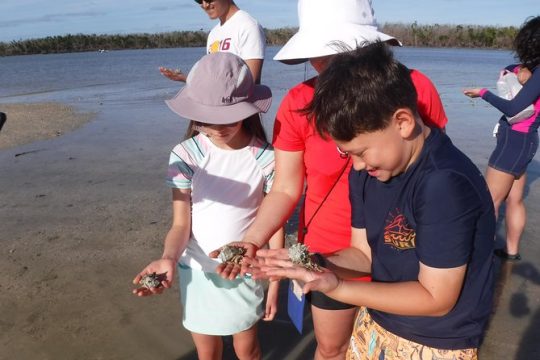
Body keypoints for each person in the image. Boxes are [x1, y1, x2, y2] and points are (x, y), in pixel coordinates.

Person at [211, 1, 448, 359]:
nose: (321, 63)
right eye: (316, 54)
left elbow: (437, 174)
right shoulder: (297, 103)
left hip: (402, 249)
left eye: (332, 53)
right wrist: (253, 240)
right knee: (332, 348)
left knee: (397, 349)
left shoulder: (415, 89)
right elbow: (287, 187)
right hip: (329, 253)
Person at [248, 42, 496, 360]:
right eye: (348, 154)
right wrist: (313, 264)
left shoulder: (444, 184)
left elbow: (437, 298)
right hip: (376, 323)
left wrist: (336, 287)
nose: (357, 166)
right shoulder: (368, 172)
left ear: (403, 122)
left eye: (361, 153)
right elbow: (363, 255)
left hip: (435, 342)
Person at [133, 52, 283, 360]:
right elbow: (180, 225)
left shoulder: (266, 157)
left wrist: (275, 278)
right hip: (197, 270)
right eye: (205, 119)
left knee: (248, 350)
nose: (216, 127)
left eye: (226, 117)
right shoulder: (185, 155)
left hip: (246, 269)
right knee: (207, 353)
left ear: (247, 108)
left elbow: (275, 221)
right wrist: (168, 259)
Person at [463, 15, 540, 261]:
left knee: (490, 201)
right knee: (515, 199)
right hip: (527, 141)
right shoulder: (534, 71)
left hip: (513, 141)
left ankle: (479, 258)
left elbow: (513, 108)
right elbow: (524, 83)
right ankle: (511, 252)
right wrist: (513, 71)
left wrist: (483, 93)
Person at [160, 0, 265, 83]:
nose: (205, 5)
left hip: (241, 108)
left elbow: (251, 82)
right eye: (199, 0)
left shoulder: (248, 26)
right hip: (216, 107)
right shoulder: (213, 33)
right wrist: (186, 78)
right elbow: (213, 79)